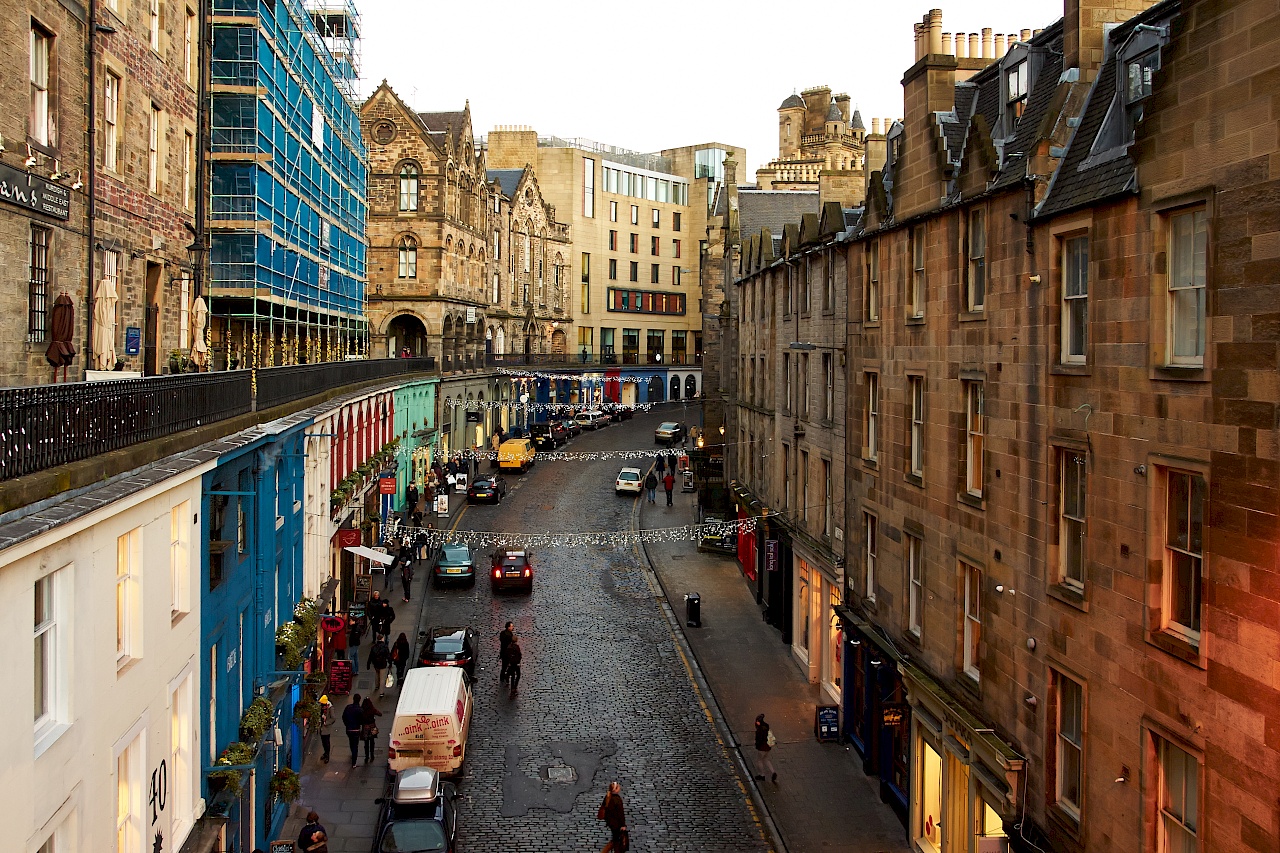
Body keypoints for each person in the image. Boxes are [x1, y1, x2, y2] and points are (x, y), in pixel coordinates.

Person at [598, 781, 627, 853]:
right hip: (616, 824)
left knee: (615, 840)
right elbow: (620, 814)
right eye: (618, 787)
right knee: (616, 841)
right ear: (616, 789)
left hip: (610, 823)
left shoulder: (608, 796)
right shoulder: (617, 800)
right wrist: (623, 825)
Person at [754, 713, 777, 783]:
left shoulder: (759, 730)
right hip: (768, 747)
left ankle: (762, 775)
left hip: (762, 747)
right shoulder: (766, 726)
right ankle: (773, 772)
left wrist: (756, 745)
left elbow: (759, 739)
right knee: (766, 759)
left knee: (759, 760)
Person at [342, 694, 364, 766]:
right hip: (356, 730)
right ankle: (354, 762)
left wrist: (347, 724)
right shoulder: (360, 710)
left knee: (351, 742)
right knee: (355, 745)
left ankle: (352, 753)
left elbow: (344, 717)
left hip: (349, 729)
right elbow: (362, 720)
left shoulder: (348, 707)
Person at [360, 695, 383, 763]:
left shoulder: (362, 710)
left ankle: (366, 757)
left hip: (365, 727)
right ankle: (372, 755)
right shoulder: (372, 709)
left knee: (366, 743)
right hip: (372, 726)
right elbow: (380, 714)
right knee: (372, 742)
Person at [317, 695, 334, 763]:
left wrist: (326, 722)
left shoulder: (330, 708)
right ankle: (325, 753)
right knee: (323, 742)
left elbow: (333, 718)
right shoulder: (321, 707)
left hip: (326, 728)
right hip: (321, 728)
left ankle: (327, 756)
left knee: (327, 742)